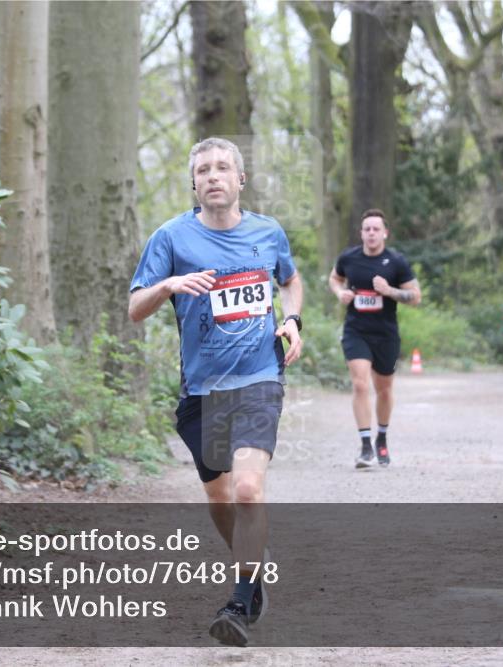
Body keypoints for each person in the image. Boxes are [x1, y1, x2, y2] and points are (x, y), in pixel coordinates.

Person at [128, 137, 303, 648]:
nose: (213, 176)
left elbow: (290, 281)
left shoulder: (267, 232)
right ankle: (254, 566)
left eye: (223, 167)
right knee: (220, 497)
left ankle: (240, 597)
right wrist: (168, 287)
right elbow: (135, 307)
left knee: (248, 490)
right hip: (203, 389)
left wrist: (291, 319)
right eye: (203, 169)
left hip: (259, 379)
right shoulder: (171, 238)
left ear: (240, 179)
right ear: (194, 182)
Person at [329, 209, 421, 470]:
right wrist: (340, 293)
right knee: (359, 384)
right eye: (366, 229)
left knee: (384, 390)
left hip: (386, 334)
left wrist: (389, 290)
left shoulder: (396, 262)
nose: (371, 233)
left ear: (384, 233)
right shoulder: (349, 257)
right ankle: (366, 445)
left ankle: (381, 436)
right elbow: (334, 278)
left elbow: (416, 297)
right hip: (356, 330)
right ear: (361, 233)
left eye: (375, 229)